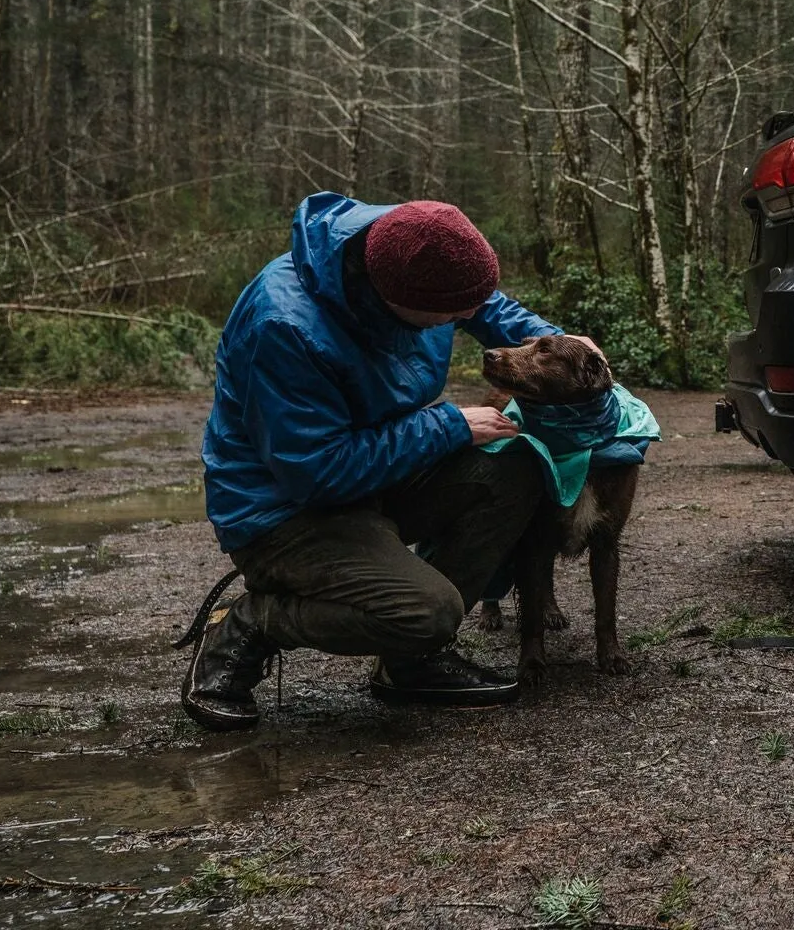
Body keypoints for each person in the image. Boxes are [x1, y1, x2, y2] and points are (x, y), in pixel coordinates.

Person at [182, 191, 585, 731]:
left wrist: (564, 349)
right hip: (287, 511)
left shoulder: (416, 251)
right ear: (394, 296)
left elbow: (487, 305)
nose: (470, 316)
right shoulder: (282, 326)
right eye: (453, 311)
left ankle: (410, 662)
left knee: (515, 466)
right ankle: (249, 623)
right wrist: (449, 425)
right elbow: (317, 471)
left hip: (374, 477)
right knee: (428, 610)